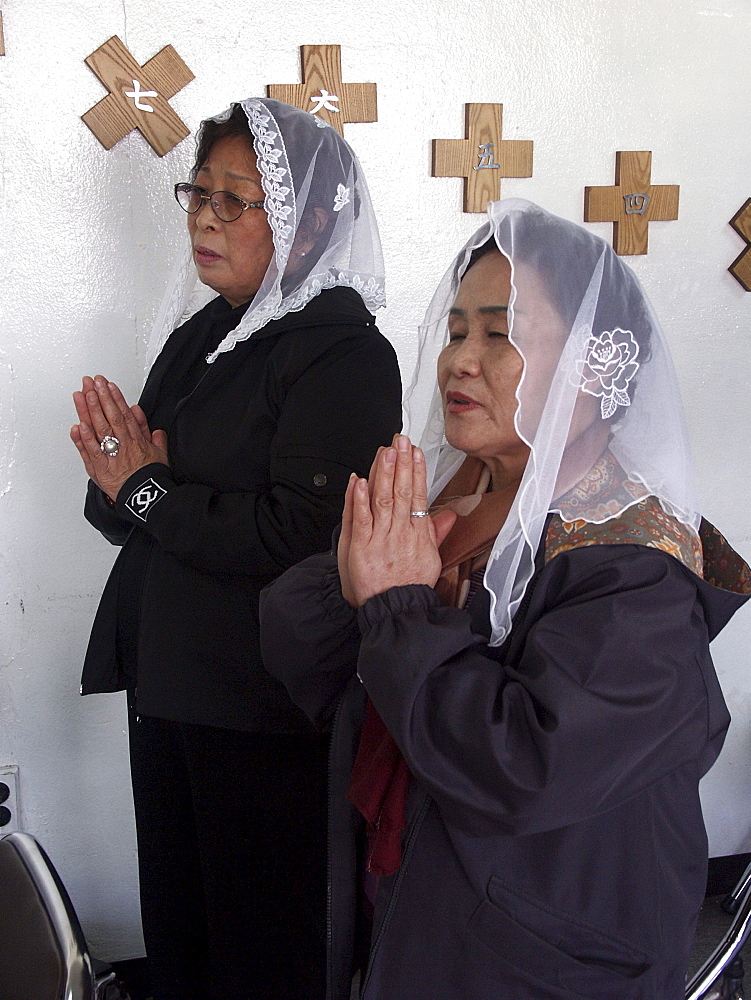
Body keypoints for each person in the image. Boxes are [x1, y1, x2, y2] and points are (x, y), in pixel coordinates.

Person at [259, 199, 751, 1000]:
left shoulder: (636, 566)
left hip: (538, 952)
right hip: (422, 901)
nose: (460, 359)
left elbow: (526, 766)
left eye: (503, 333)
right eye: (456, 330)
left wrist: (394, 609)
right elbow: (305, 654)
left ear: (596, 366)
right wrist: (383, 578)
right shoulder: (465, 495)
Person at [70, 98, 402, 1000]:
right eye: (198, 193)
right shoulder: (207, 335)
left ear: (310, 220)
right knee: (182, 935)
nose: (206, 218)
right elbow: (128, 502)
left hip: (258, 706)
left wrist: (147, 487)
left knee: (261, 947)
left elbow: (301, 533)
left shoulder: (340, 353)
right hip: (173, 687)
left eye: (236, 199)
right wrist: (126, 481)